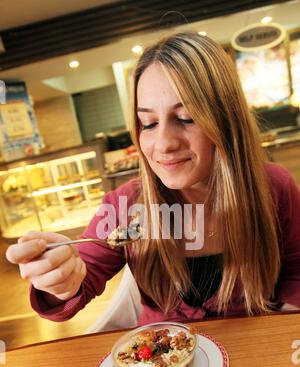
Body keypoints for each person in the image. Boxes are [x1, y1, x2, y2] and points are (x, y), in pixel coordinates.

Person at [6, 32, 300, 326]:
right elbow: (82, 277)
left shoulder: (274, 188)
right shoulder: (125, 206)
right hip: (158, 363)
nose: (163, 144)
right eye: (148, 123)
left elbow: (296, 271)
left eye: (186, 118)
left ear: (225, 119)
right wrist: (59, 280)